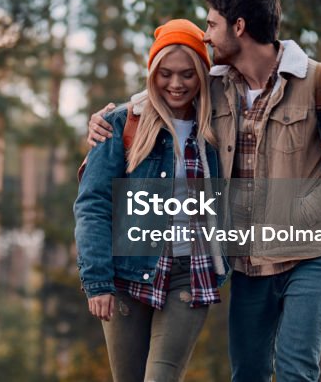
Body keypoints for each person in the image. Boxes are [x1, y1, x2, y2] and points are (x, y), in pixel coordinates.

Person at [87, 0, 321, 381]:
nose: (206, 36)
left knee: (297, 368)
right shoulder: (217, 86)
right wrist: (105, 121)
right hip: (248, 262)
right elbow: (163, 90)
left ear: (239, 27)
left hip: (312, 253)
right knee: (248, 372)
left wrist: (310, 208)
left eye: (211, 24)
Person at [74, 19, 228, 382]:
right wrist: (98, 281)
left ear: (203, 75)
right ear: (152, 73)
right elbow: (92, 204)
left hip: (189, 274)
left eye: (188, 74)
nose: (176, 84)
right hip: (127, 273)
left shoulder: (219, 126)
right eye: (166, 74)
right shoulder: (120, 123)